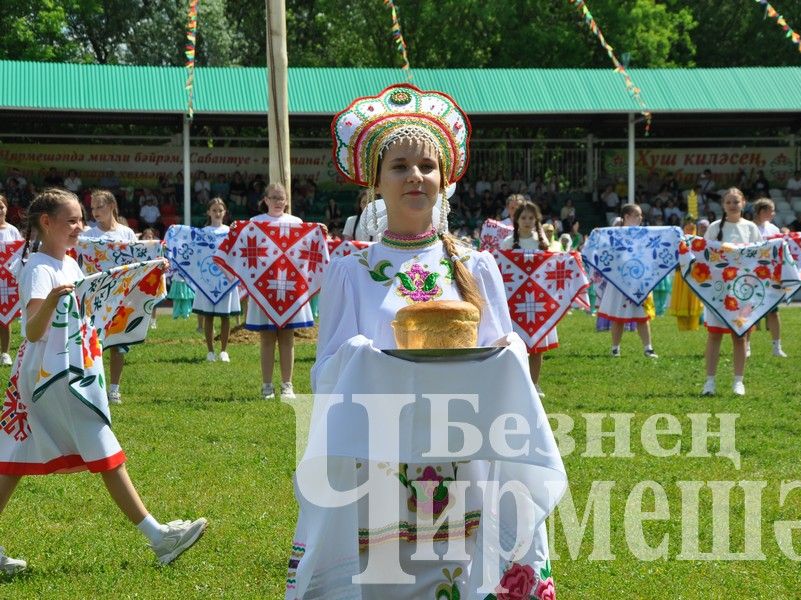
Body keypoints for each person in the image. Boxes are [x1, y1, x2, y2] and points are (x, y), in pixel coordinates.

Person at [291, 83, 556, 598]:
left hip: (465, 452)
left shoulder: (475, 265)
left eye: (427, 166)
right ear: (376, 183)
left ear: (445, 179)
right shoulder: (353, 270)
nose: (416, 176)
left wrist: (510, 352)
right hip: (381, 462)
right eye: (400, 166)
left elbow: (506, 349)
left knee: (465, 572)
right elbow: (325, 375)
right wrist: (367, 359)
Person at [0, 188, 206, 573]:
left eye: (81, 219)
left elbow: (90, 310)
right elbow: (30, 331)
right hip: (53, 375)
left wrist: (137, 279)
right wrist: (50, 301)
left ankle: (158, 536)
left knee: (12, 458)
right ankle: (158, 537)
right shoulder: (39, 268)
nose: (80, 226)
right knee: (102, 445)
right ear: (47, 223)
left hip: (64, 370)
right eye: (72, 220)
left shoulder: (70, 264)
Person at [246, 183, 311, 400]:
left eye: (281, 198)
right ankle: (266, 386)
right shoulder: (255, 223)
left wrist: (319, 232)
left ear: (287, 200)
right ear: (265, 199)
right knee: (266, 338)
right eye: (273, 197)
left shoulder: (297, 223)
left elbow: (306, 252)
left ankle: (287, 385)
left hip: (290, 288)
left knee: (287, 338)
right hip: (265, 289)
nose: (278, 201)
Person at [701, 188, 762, 396]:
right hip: (718, 291)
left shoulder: (751, 228)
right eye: (728, 201)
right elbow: (704, 254)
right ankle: (709, 382)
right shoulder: (714, 227)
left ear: (743, 203)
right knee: (714, 336)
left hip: (743, 290)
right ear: (723, 204)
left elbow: (759, 255)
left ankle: (738, 381)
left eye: (736, 201)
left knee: (740, 336)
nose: (732, 205)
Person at [82, 190, 138, 405]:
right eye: (93, 207)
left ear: (112, 206)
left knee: (118, 344)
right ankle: (94, 389)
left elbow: (138, 261)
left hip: (121, 297)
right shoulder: (87, 235)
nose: (95, 212)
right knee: (93, 343)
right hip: (95, 297)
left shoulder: (127, 234)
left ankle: (114, 389)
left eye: (100, 207)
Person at [501, 201, 555, 394]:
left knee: (537, 344)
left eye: (531, 218)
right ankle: (516, 383)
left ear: (536, 220)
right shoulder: (507, 243)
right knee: (518, 343)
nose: (527, 221)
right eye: (523, 217)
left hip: (538, 300)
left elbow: (550, 269)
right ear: (517, 220)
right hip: (515, 302)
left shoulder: (542, 243)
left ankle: (534, 383)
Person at [596, 204, 658, 358]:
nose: (640, 218)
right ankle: (615, 348)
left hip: (638, 282)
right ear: (626, 217)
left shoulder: (644, 234)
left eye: (640, 215)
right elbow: (606, 254)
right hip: (619, 281)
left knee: (642, 316)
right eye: (637, 215)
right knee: (619, 316)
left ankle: (648, 348)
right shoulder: (614, 235)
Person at [192, 198, 241, 362]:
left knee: (225, 316)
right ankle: (210, 351)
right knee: (209, 316)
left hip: (225, 279)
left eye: (220, 210)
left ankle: (224, 350)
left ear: (225, 212)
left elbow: (236, 252)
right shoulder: (203, 232)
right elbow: (197, 253)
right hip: (207, 279)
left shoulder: (230, 232)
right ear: (208, 212)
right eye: (214, 210)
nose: (217, 213)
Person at [751, 199, 787, 358]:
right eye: (770, 210)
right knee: (749, 312)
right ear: (761, 211)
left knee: (773, 312)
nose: (773, 214)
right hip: (753, 275)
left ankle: (776, 347)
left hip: (771, 277)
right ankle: (746, 346)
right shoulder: (750, 227)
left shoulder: (773, 228)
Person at [0, 194, 23, 366]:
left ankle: (5, 353)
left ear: (6, 208)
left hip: (5, 282)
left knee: (4, 318)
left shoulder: (12, 230)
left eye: (1, 206)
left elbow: (18, 254)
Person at [669, 217, 703, 331]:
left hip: (694, 273)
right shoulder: (678, 241)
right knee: (682, 297)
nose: (690, 228)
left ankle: (693, 326)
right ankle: (683, 327)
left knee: (693, 297)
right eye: (687, 226)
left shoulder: (699, 241)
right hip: (682, 273)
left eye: (692, 227)